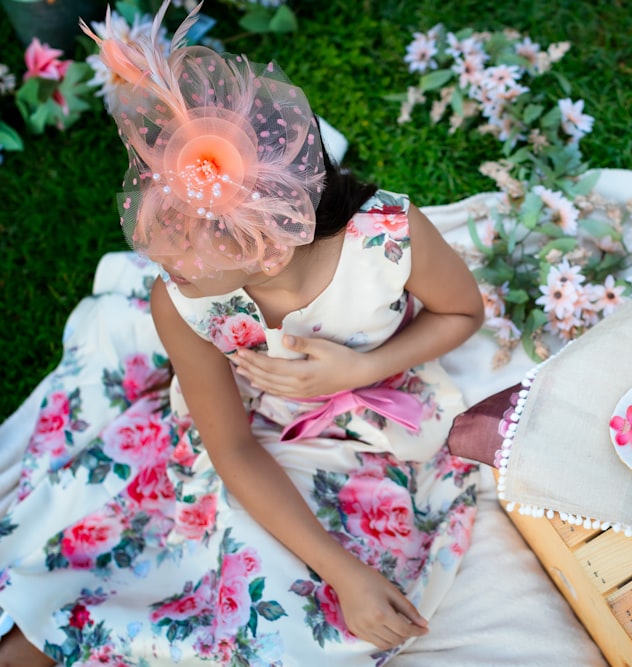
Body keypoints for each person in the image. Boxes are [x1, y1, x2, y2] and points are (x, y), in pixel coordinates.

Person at [0, 2, 484, 665]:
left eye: (183, 256)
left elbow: (462, 313)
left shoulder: (389, 238)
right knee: (145, 564)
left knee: (295, 613)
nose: (165, 266)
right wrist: (341, 571)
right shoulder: (180, 304)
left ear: (269, 251)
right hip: (246, 440)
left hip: (358, 432)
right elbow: (230, 446)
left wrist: (355, 371)